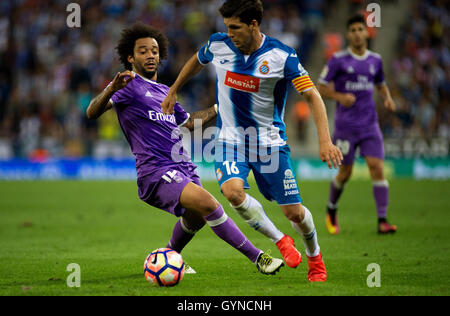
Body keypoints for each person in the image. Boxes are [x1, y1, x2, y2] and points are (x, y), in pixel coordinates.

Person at [161, 0, 343, 282]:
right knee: (232, 192)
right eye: (227, 27)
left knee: (294, 212)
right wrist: (174, 88)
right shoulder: (218, 45)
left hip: (270, 145)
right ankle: (280, 240)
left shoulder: (282, 56)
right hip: (230, 141)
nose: (229, 33)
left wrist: (325, 140)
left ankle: (315, 257)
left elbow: (312, 95)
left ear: (253, 25)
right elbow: (197, 61)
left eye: (235, 28)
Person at [86, 22, 284, 275]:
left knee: (196, 217)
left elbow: (189, 123)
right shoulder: (128, 85)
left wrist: (219, 108)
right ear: (130, 57)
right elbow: (91, 112)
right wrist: (111, 89)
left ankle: (167, 256)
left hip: (183, 165)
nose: (150, 56)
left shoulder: (165, 92)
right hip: (155, 170)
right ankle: (259, 259)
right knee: (209, 204)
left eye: (154, 51)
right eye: (143, 51)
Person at [318, 15, 397, 235]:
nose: (356, 33)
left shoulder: (375, 60)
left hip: (370, 124)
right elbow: (321, 86)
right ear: (348, 34)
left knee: (377, 167)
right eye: (352, 30)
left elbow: (381, 84)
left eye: (360, 29)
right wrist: (340, 96)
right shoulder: (338, 60)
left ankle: (382, 220)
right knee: (345, 172)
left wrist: (387, 98)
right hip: (346, 126)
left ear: (366, 32)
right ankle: (331, 209)